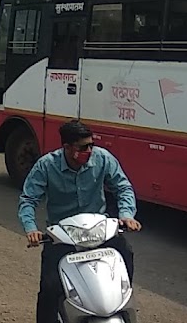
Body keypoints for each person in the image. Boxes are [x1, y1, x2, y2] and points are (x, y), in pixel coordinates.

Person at [19, 121, 141, 323]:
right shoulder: (47, 165)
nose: (89, 151)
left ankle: (120, 304)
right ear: (67, 147)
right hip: (62, 238)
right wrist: (31, 229)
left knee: (125, 253)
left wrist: (127, 215)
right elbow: (28, 199)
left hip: (100, 233)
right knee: (50, 287)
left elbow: (123, 187)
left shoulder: (103, 158)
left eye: (91, 145)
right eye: (83, 147)